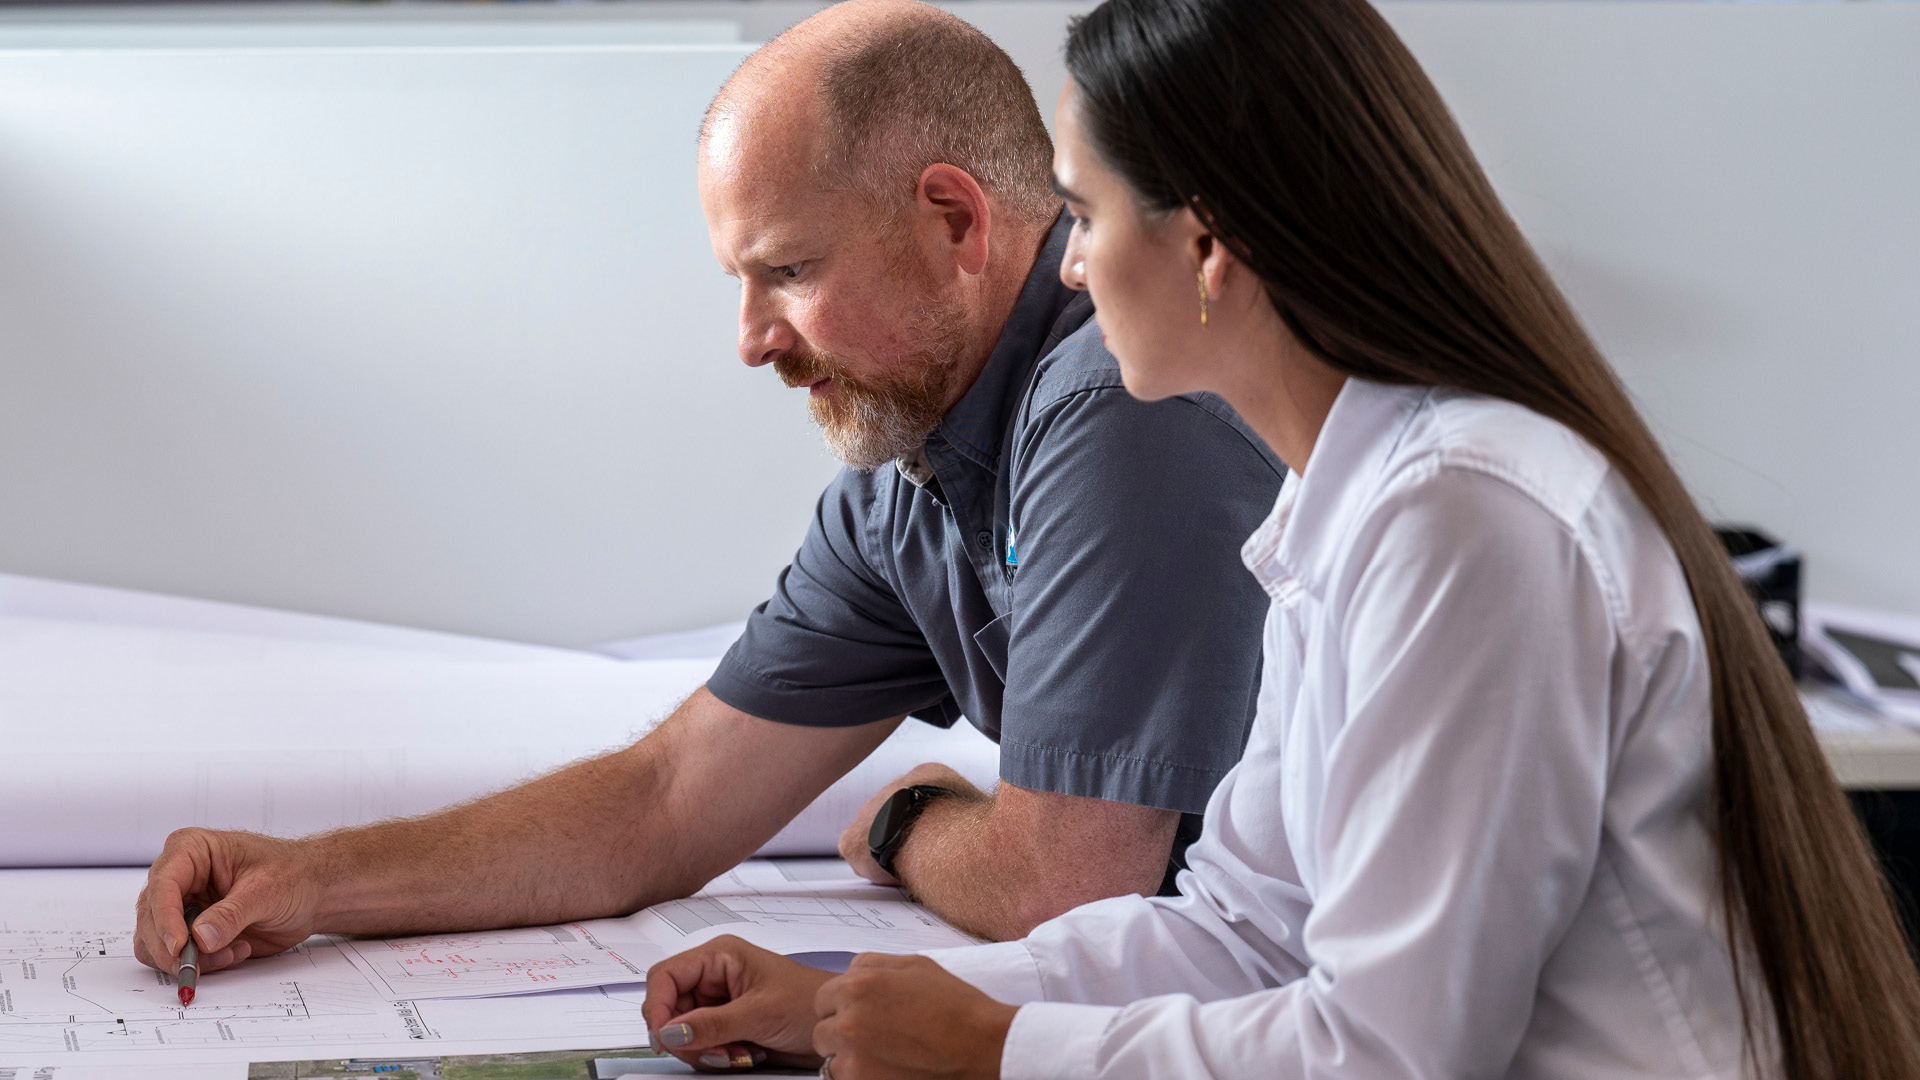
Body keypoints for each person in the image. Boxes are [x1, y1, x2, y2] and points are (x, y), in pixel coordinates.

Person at [636, 1, 1920, 1077]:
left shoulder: (1463, 519)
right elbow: (1246, 931)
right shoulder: (1349, 506)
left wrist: (995, 1048)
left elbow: (1390, 1053)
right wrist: (847, 998)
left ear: (1208, 244)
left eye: (1082, 215)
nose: (1069, 269)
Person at [129, 0, 1287, 982]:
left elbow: (1065, 890)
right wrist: (313, 877)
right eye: (741, 280)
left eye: (788, 271)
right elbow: (666, 801)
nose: (750, 341)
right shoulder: (904, 472)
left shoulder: (1116, 393)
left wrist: (908, 821)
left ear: (954, 222)